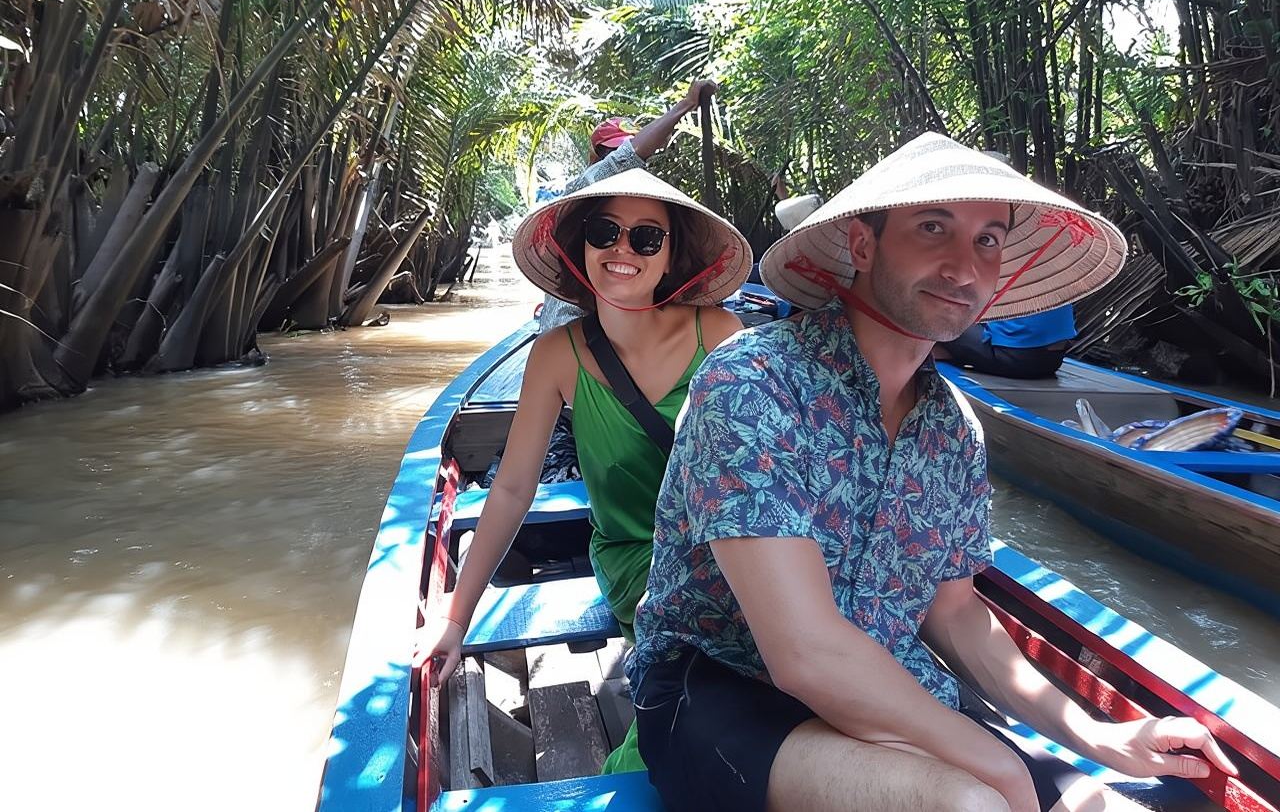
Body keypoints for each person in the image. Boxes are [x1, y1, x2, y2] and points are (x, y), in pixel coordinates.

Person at [628, 132, 1237, 812]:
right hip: (718, 689)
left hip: (888, 688)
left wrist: (1103, 737)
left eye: (988, 240)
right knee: (970, 802)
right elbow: (802, 651)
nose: (963, 265)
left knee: (1100, 805)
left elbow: (955, 612)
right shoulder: (755, 382)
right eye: (932, 227)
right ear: (863, 246)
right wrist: (999, 769)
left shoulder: (954, 430)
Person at [416, 168, 751, 772]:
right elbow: (514, 487)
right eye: (606, 232)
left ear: (671, 257)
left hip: (733, 552)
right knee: (710, 673)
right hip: (637, 558)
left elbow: (761, 476)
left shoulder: (722, 334)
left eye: (647, 238)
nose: (623, 250)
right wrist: (455, 615)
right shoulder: (557, 353)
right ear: (584, 248)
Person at [539, 79, 720, 333]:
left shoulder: (649, 211)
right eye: (605, 231)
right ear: (595, 160)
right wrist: (686, 105)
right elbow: (627, 157)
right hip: (571, 332)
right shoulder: (578, 196)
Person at [935, 304, 1076, 378]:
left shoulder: (1003, 258)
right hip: (1054, 359)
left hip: (1015, 357)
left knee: (936, 318)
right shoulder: (1055, 261)